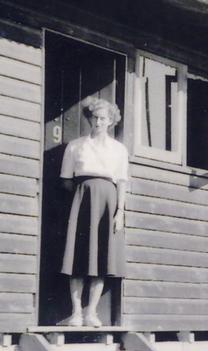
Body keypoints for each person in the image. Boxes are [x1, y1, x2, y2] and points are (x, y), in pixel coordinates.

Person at [59, 97, 128, 327]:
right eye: (95, 117)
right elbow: (66, 180)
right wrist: (83, 194)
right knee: (77, 258)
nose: (98, 122)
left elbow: (122, 183)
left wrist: (120, 212)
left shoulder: (119, 149)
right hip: (82, 200)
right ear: (90, 119)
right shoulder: (75, 146)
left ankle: (91, 313)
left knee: (101, 258)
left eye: (103, 118)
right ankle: (76, 313)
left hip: (108, 203)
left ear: (111, 122)